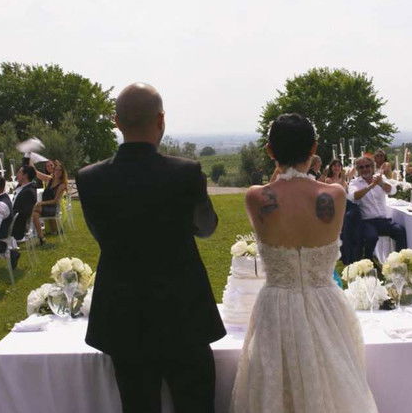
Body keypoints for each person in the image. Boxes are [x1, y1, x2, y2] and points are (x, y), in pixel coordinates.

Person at [77, 83, 224, 413]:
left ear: (116, 122)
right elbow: (206, 227)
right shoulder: (185, 173)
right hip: (183, 311)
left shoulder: (90, 179)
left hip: (123, 314)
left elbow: (100, 234)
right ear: (161, 120)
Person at [232, 113, 377, 413]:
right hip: (326, 304)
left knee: (275, 386)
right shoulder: (334, 195)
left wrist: (280, 166)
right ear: (313, 149)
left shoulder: (256, 197)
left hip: (276, 305)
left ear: (270, 150)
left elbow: (276, 187)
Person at [349, 156, 407, 262]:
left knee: (400, 231)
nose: (365, 169)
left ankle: (399, 262)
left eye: (367, 166)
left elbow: (393, 191)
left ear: (372, 167)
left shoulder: (380, 178)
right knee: (371, 237)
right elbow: (354, 196)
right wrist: (371, 185)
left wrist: (381, 183)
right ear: (357, 170)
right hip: (367, 221)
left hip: (383, 221)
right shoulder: (355, 182)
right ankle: (367, 263)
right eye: (361, 167)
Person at [30, 160, 68, 244]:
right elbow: (36, 173)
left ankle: (29, 232)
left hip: (53, 208)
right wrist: (30, 160)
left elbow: (55, 201)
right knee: (35, 214)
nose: (57, 172)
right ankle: (41, 237)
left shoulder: (62, 185)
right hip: (45, 206)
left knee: (32, 209)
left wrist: (41, 203)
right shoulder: (50, 180)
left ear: (62, 173)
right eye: (56, 170)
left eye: (60, 170)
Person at [8, 165, 38, 268]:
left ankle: (11, 252)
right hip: (15, 222)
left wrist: (7, 216)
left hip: (17, 226)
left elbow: (23, 213)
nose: (17, 174)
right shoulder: (24, 188)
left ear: (25, 175)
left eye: (19, 172)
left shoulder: (28, 191)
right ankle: (11, 251)